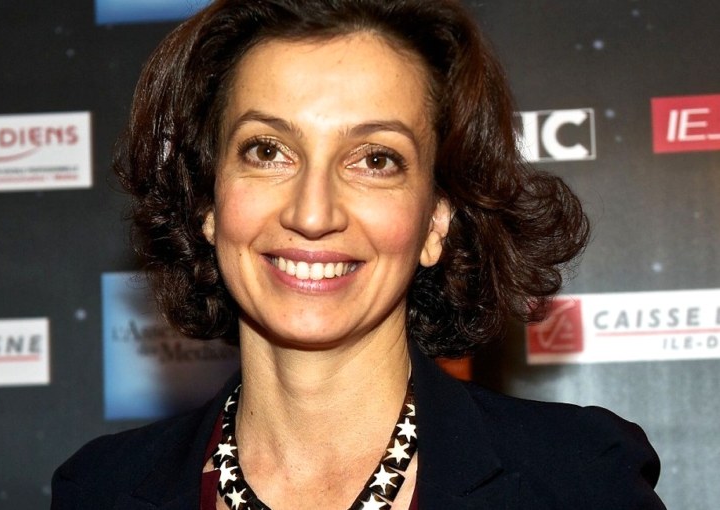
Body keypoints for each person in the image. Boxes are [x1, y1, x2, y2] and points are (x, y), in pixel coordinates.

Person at [52, 0, 666, 508]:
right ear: (208, 201)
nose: (312, 213)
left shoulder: (580, 480)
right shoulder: (99, 490)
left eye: (375, 159)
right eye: (267, 151)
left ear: (436, 219)